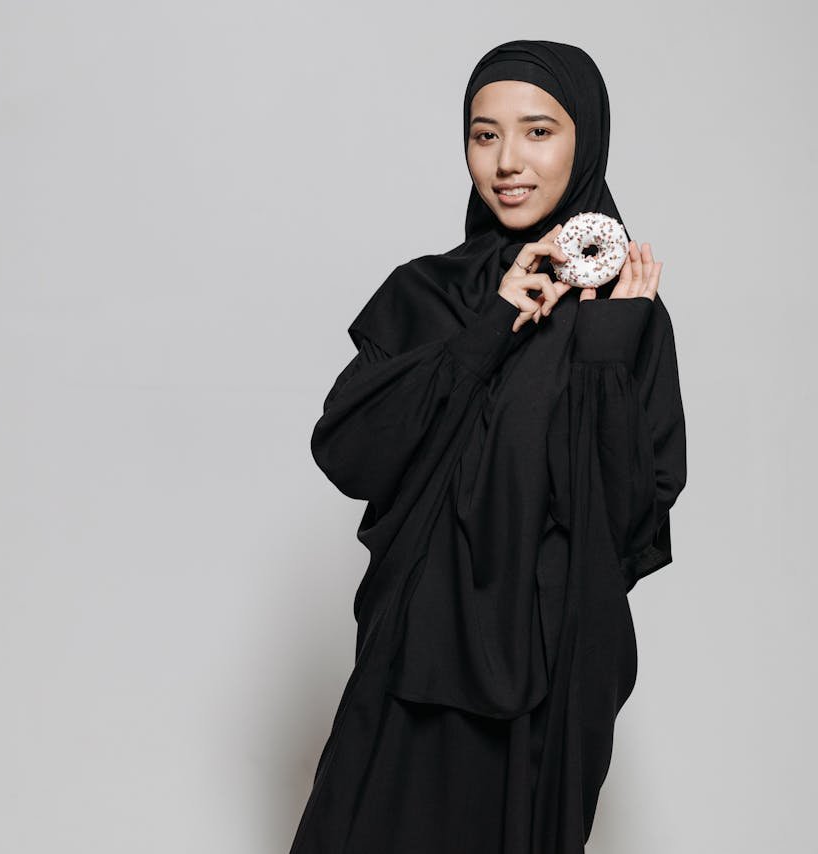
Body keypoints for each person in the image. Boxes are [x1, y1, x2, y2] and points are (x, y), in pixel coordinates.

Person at [287, 40, 688, 854]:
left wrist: (608, 346)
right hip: (412, 652)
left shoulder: (626, 314)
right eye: (484, 134)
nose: (508, 161)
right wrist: (487, 329)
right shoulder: (426, 294)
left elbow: (629, 526)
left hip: (553, 670)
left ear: (586, 142)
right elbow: (352, 453)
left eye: (538, 132)